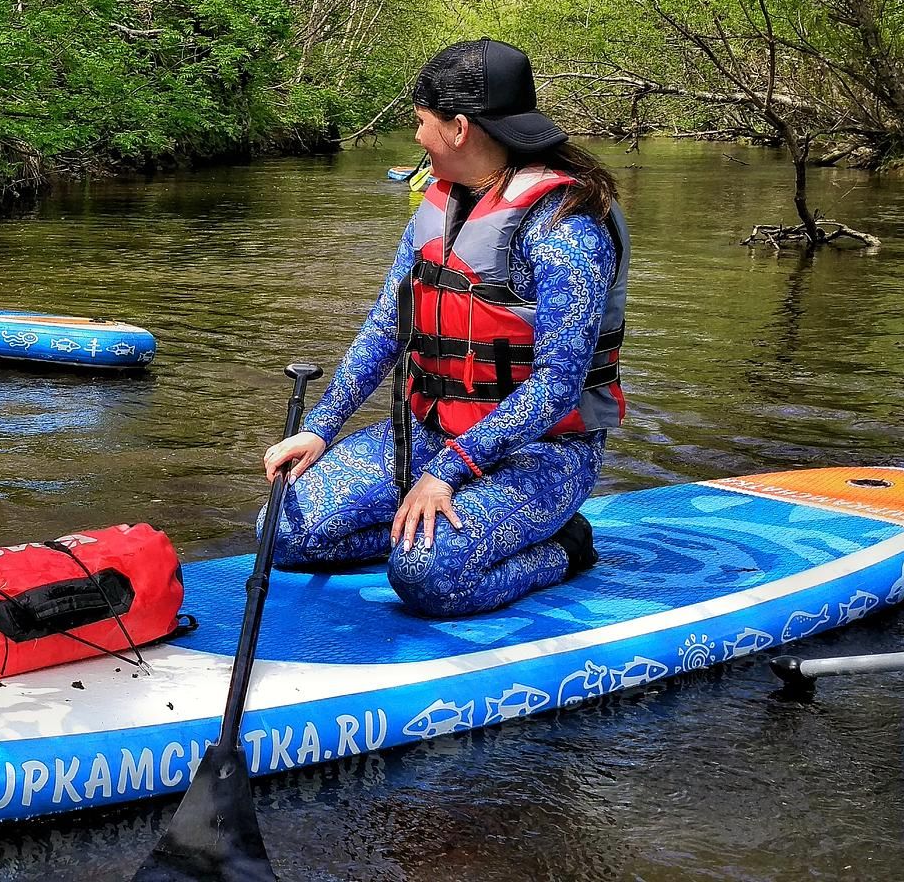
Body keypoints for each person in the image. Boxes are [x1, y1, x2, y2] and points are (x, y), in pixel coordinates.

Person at [259, 39, 628, 617]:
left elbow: (558, 386)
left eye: (421, 123)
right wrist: (319, 430)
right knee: (282, 529)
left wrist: (448, 472)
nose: (416, 138)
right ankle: (424, 536)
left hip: (542, 454)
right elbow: (387, 328)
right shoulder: (439, 206)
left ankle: (563, 547)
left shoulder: (564, 225)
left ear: (458, 128)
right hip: (428, 435)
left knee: (427, 576)